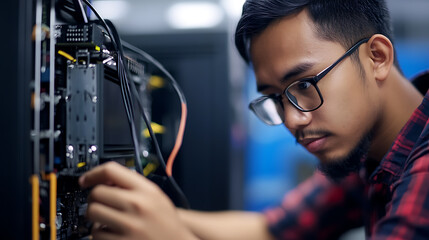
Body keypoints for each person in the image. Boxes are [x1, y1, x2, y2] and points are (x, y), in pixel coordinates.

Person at [78, 0, 429, 239]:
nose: (293, 119)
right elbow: (270, 230)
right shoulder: (368, 152)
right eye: (275, 98)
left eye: (304, 84)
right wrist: (142, 212)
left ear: (377, 57)